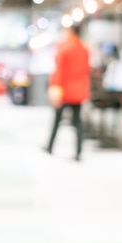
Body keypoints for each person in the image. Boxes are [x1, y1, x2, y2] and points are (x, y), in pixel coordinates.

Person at [45, 23, 90, 161]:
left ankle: (50, 147)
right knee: (77, 122)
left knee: (57, 120)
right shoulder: (84, 49)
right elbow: (87, 70)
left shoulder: (64, 48)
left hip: (64, 91)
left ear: (70, 31)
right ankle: (78, 152)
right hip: (79, 91)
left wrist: (55, 91)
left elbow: (59, 72)